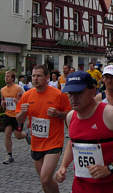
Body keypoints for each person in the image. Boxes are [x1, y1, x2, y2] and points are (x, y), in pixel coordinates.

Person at [55, 71, 113, 193]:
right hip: (79, 187)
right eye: (70, 93)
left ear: (93, 91)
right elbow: (73, 142)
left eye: (79, 93)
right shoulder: (70, 117)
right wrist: (63, 166)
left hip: (109, 187)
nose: (73, 98)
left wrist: (109, 169)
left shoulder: (110, 114)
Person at [16, 65, 71, 193]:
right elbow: (18, 120)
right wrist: (22, 113)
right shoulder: (27, 95)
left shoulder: (58, 95)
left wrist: (58, 113)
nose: (35, 79)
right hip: (36, 143)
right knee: (44, 182)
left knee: (45, 179)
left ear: (47, 77)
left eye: (39, 76)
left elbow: (70, 114)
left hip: (53, 142)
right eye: (33, 76)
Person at [0, 70, 27, 164]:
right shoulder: (2, 89)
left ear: (12, 78)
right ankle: (9, 155)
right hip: (8, 115)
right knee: (7, 134)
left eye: (8, 76)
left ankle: (26, 135)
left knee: (18, 136)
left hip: (17, 115)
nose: (6, 78)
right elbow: (3, 103)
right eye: (5, 76)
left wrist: (18, 102)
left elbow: (25, 100)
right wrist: (2, 103)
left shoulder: (18, 88)